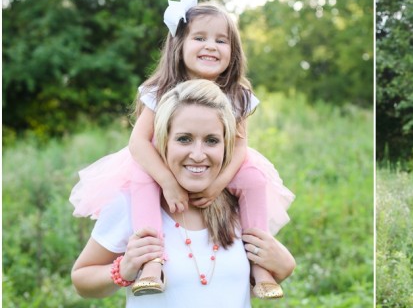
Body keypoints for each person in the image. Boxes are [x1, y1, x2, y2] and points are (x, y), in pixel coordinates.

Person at [69, 0, 294, 298]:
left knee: (253, 177)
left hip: (224, 171)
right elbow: (138, 142)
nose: (211, 46)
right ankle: (152, 262)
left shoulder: (237, 94)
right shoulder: (161, 90)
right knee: (142, 178)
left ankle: (260, 266)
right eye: (199, 38)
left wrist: (218, 186)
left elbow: (241, 148)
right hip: (157, 167)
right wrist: (167, 182)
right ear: (179, 45)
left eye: (221, 41)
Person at [71, 79, 296, 306]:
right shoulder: (133, 204)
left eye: (211, 140)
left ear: (226, 146)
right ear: (163, 142)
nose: (198, 155)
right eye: (184, 139)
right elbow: (81, 280)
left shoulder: (239, 205)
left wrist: (284, 266)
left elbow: (235, 288)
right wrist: (124, 268)